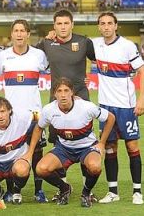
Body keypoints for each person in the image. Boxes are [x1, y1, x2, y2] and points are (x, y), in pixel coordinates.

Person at [24, 77, 115, 207]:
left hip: (87, 147)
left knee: (95, 167)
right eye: (59, 91)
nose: (63, 94)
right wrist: (30, 152)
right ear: (54, 94)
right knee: (41, 168)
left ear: (72, 92)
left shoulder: (86, 107)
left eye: (66, 90)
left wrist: (102, 143)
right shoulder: (49, 110)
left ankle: (86, 193)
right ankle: (65, 188)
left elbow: (110, 118)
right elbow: (38, 128)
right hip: (64, 149)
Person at [37, 8, 96, 201]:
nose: (63, 27)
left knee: (83, 141)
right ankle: (63, 187)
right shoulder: (46, 43)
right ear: (54, 26)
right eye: (59, 24)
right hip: (56, 100)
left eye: (66, 23)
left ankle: (88, 190)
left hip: (80, 98)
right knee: (58, 142)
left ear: (72, 24)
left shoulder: (84, 42)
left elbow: (104, 60)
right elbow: (29, 57)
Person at [93, 12, 144, 205]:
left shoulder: (127, 46)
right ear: (99, 27)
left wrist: (141, 99)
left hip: (126, 106)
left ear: (116, 26)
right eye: (103, 24)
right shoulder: (95, 44)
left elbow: (143, 71)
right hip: (105, 107)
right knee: (110, 148)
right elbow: (74, 45)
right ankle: (113, 191)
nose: (106, 26)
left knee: (132, 146)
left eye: (110, 23)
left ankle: (137, 192)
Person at [0, 19, 49, 203]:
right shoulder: (3, 56)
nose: (19, 34)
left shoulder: (39, 55)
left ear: (28, 34)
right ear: (12, 34)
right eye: (16, 31)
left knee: (37, 152)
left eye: (22, 31)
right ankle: (12, 190)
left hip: (34, 113)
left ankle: (38, 190)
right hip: (12, 116)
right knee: (12, 152)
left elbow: (52, 69)